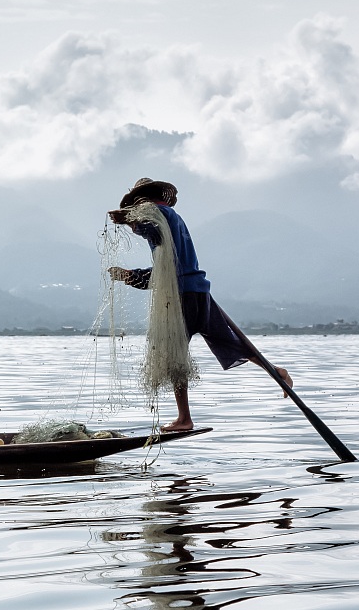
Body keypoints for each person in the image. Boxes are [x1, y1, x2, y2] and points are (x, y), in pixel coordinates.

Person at [108, 177, 292, 432]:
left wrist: (129, 221)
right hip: (198, 291)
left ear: (145, 199)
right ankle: (276, 372)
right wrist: (131, 275)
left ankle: (184, 419)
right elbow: (167, 270)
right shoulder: (172, 218)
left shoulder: (157, 213)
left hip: (183, 295)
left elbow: (152, 235)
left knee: (174, 355)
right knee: (229, 341)